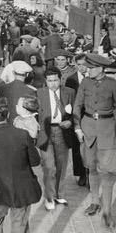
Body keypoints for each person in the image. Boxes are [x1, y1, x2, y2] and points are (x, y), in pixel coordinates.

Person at [0, 97, 41, 233]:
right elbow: (35, 161)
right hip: (21, 189)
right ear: (9, 115)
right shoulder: (23, 135)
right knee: (19, 223)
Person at [73, 54, 116, 227]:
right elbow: (77, 105)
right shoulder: (85, 83)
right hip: (88, 129)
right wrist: (77, 127)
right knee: (91, 167)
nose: (87, 70)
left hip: (107, 130)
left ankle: (107, 211)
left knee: (108, 171)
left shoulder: (112, 84)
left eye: (90, 68)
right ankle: (94, 202)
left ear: (100, 69)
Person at [37, 67, 75, 210]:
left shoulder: (69, 92)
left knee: (61, 165)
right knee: (49, 167)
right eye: (49, 81)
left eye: (55, 80)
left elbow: (74, 112)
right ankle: (49, 197)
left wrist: (70, 122)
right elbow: (35, 114)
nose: (52, 84)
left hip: (62, 131)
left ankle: (59, 194)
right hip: (45, 133)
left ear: (60, 79)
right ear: (45, 81)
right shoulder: (39, 93)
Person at [65, 54, 88, 187]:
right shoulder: (71, 80)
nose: (82, 67)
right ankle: (81, 174)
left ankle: (91, 172)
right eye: (79, 64)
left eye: (84, 64)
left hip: (91, 116)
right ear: (76, 65)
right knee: (77, 146)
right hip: (77, 116)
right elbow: (69, 100)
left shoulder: (93, 77)